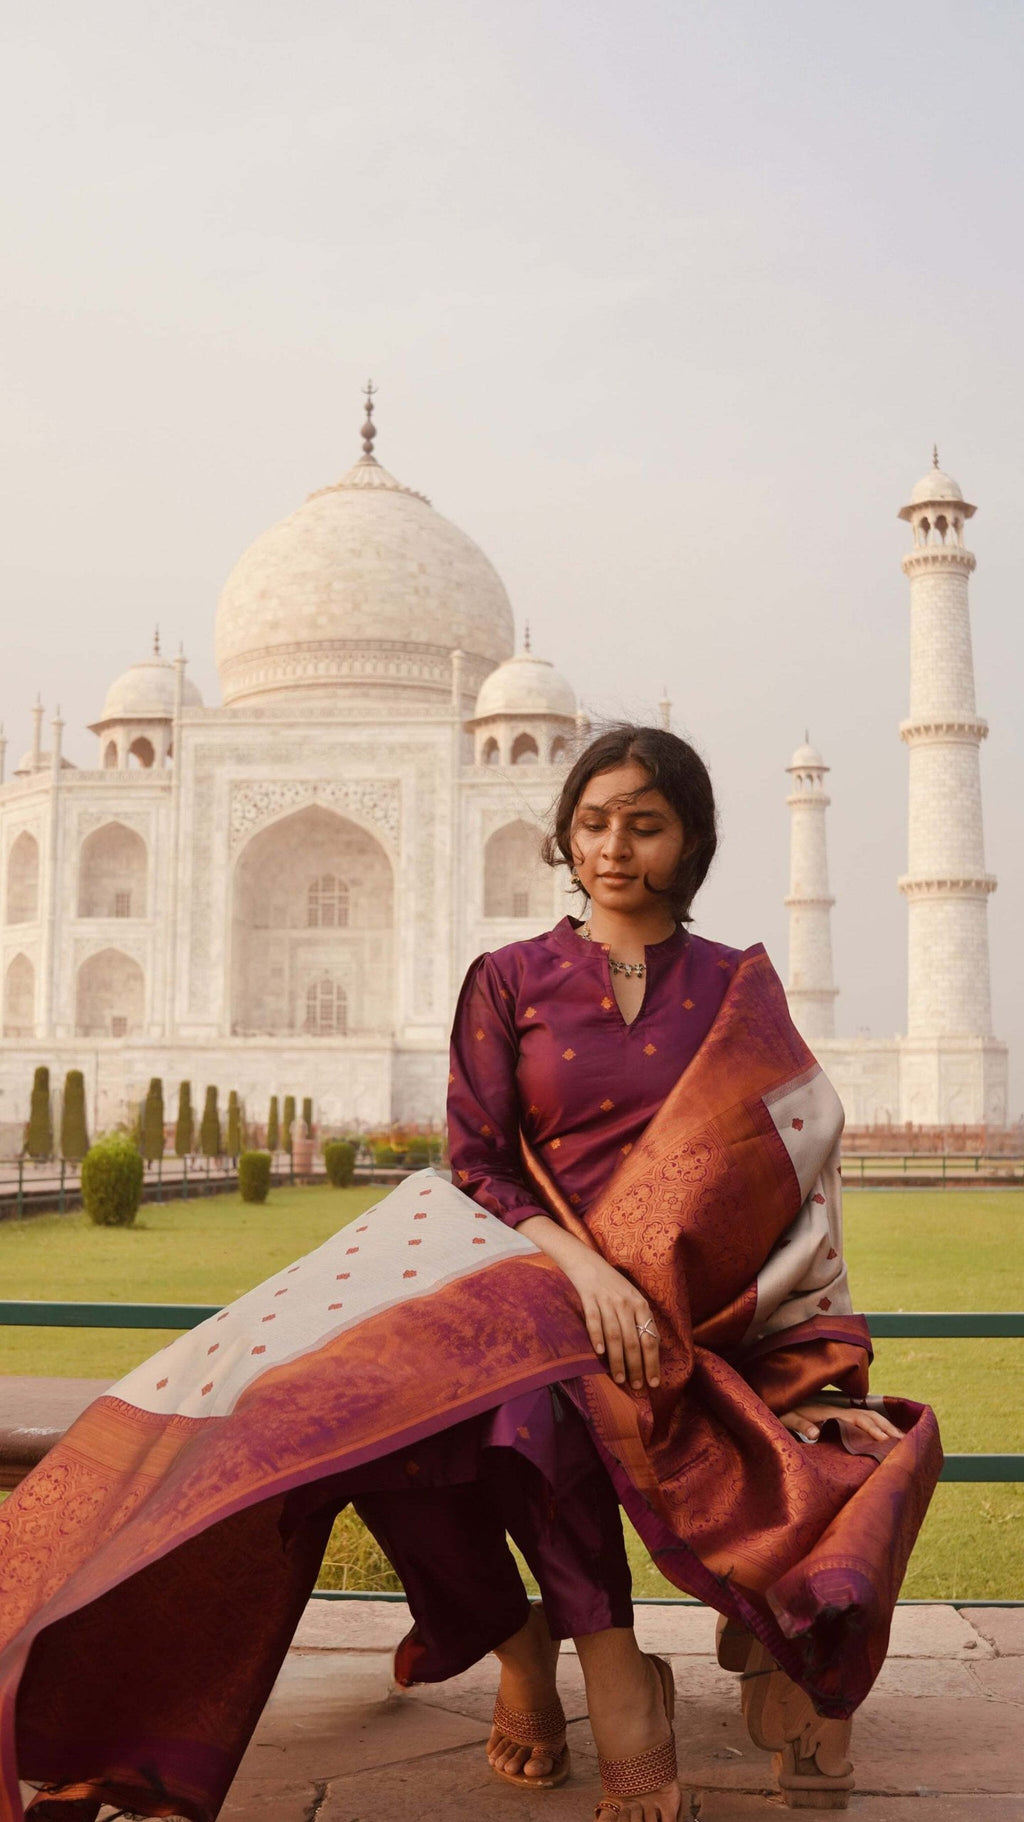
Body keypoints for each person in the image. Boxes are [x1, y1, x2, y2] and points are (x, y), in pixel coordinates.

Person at [0, 726, 940, 1822]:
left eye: (645, 823)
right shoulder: (511, 977)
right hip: (528, 1277)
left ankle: (581, 1665)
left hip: (690, 1320)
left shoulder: (736, 991)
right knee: (373, 1409)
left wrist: (804, 1363)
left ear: (692, 840)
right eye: (593, 823)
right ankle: (550, 1654)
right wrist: (587, 1273)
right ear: (562, 834)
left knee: (518, 1402)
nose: (614, 848)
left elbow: (790, 1175)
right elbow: (478, 1164)